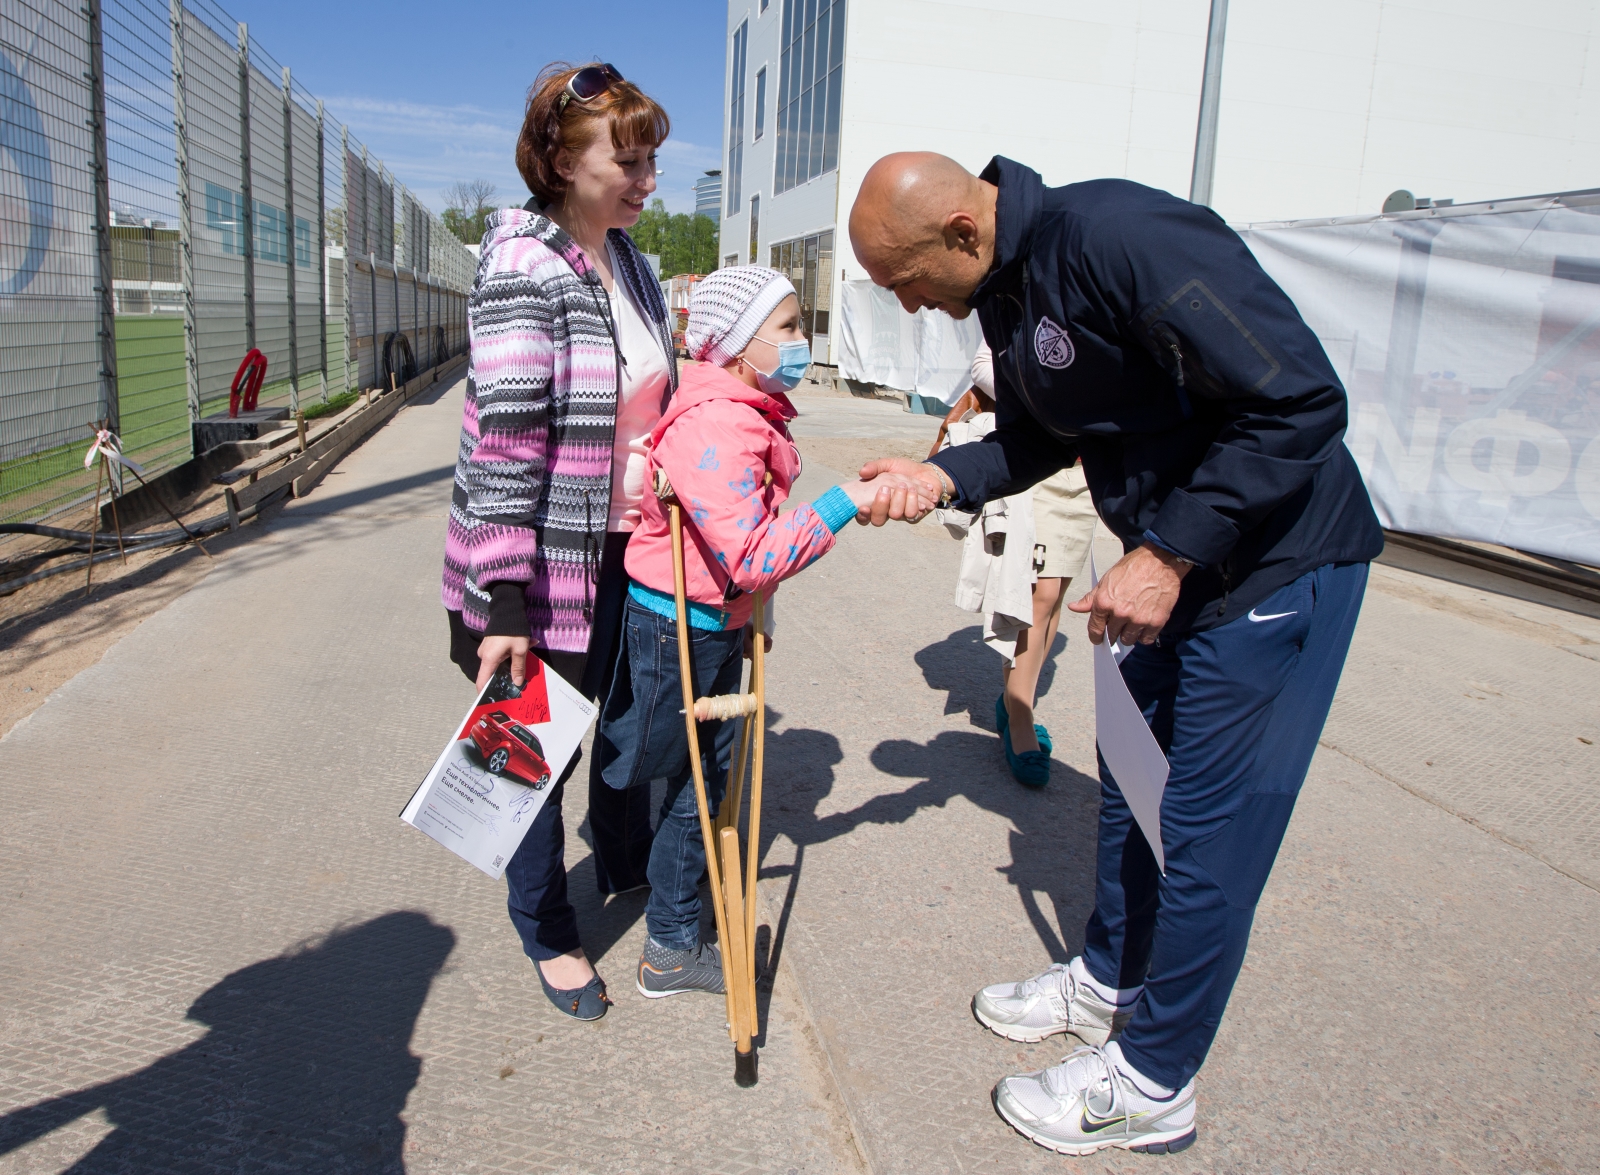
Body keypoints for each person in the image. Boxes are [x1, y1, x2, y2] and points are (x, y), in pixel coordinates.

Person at [848, 152, 1383, 1155]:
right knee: (1133, 793)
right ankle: (1105, 984)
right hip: (1164, 571)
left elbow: (1301, 401)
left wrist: (1171, 548)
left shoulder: (1124, 238)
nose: (913, 307)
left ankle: (1152, 1081)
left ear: (963, 230)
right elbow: (1051, 434)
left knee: (1206, 837)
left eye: (906, 281)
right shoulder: (1007, 290)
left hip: (1268, 568)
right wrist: (944, 478)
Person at [440, 61, 677, 1021]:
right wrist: (503, 601)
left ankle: (619, 857)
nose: (646, 177)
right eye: (626, 158)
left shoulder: (633, 261)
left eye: (652, 156)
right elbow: (505, 444)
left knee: (628, 720)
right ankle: (546, 925)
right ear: (557, 160)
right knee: (534, 755)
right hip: (539, 575)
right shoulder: (523, 268)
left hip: (632, 549)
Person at [592, 266, 902, 997]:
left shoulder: (737, 405)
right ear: (734, 348)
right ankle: (669, 945)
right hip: (686, 626)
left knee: (686, 774)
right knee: (696, 786)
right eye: (789, 328)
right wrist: (842, 503)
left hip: (700, 615)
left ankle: (642, 883)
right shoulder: (723, 424)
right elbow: (754, 554)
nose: (804, 340)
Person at [930, 340, 1098, 786]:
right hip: (1029, 456)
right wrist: (1049, 395)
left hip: (1087, 465)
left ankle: (1013, 700)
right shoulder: (1022, 290)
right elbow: (984, 364)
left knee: (1055, 589)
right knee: (1035, 592)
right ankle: (1020, 712)